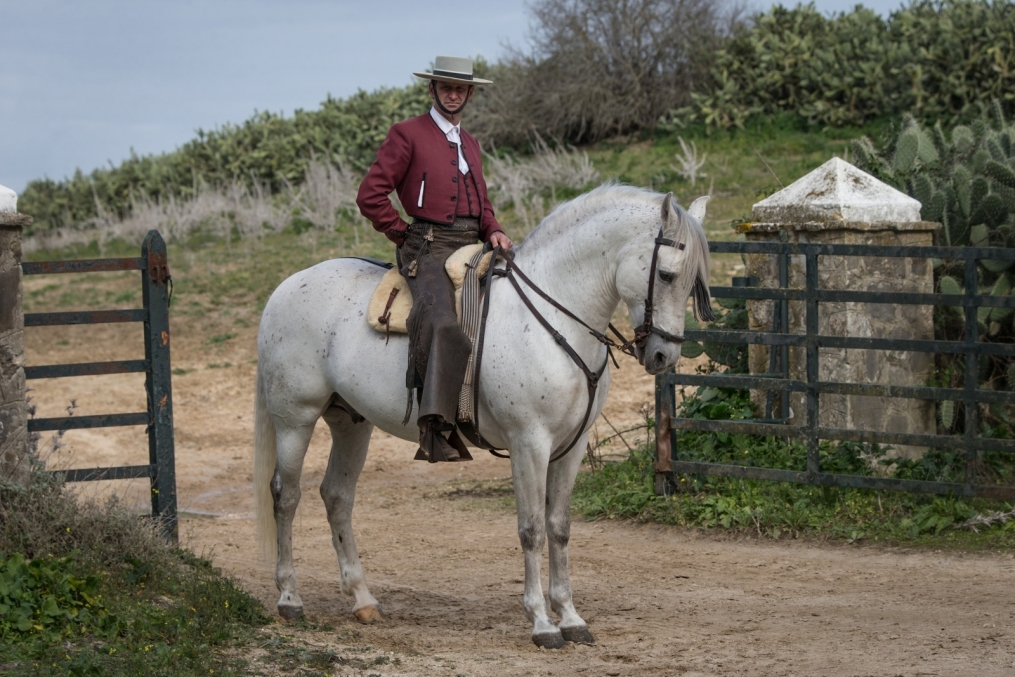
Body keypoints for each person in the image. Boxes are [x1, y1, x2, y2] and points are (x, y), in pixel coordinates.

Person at [356, 55, 513, 463]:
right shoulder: (406, 134)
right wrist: (401, 232)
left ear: (471, 94)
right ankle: (435, 426)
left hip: (472, 243)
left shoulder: (471, 142)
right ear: (432, 89)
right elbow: (370, 195)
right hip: (426, 245)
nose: (453, 93)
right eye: (445, 86)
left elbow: (482, 201)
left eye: (460, 88)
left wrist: (492, 228)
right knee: (442, 321)